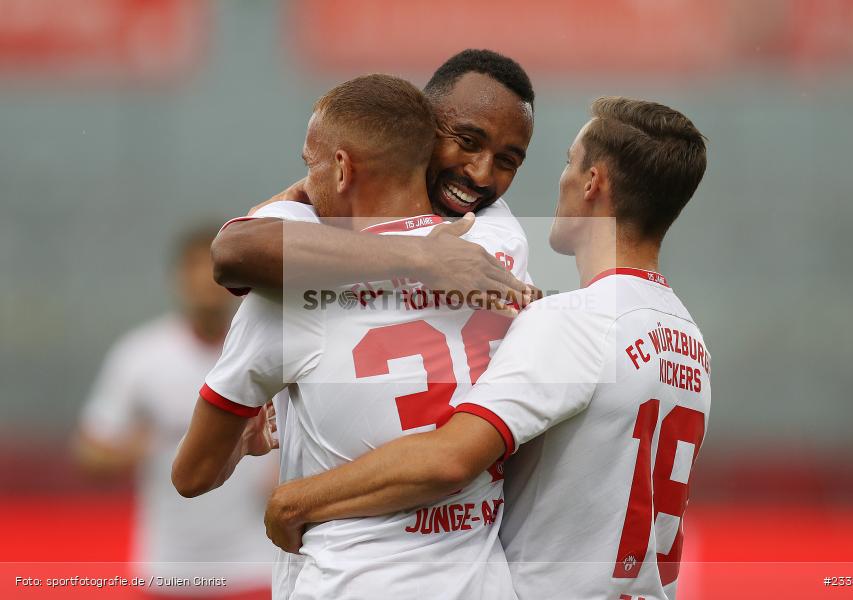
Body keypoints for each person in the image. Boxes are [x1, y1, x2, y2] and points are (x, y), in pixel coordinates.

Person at [263, 97, 711, 600]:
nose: (560, 180)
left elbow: (450, 460)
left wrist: (294, 501)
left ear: (593, 182)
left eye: (569, 160)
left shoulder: (576, 320)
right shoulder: (686, 337)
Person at [172, 74, 531, 600]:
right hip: (481, 582)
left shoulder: (288, 294)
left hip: (349, 581)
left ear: (341, 167)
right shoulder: (501, 247)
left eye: (309, 164)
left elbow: (192, 475)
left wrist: (242, 441)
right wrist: (418, 255)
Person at [209, 49, 535, 300]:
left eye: (507, 161)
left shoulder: (491, 232)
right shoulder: (325, 201)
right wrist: (421, 256)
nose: (481, 175)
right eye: (467, 141)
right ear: (426, 124)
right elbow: (231, 254)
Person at [75, 226, 275, 599]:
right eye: (195, 269)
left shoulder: (272, 350)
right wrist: (135, 447)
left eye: (216, 270)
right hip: (168, 570)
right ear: (178, 277)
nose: (205, 282)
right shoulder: (140, 355)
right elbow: (91, 453)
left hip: (255, 567)